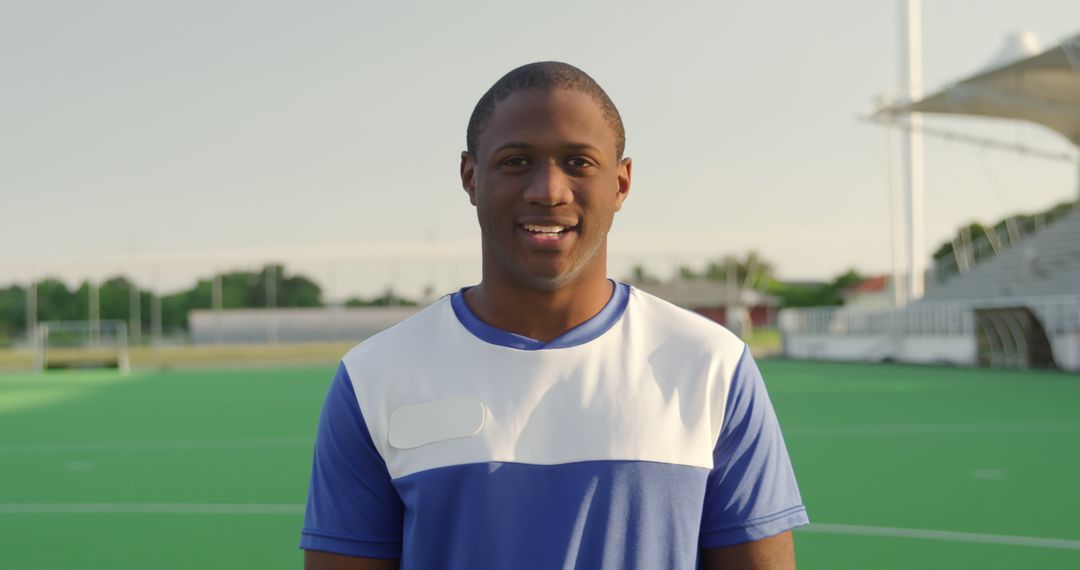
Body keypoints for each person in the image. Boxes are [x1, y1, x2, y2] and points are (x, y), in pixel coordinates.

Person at [300, 61, 808, 570]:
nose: (548, 190)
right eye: (517, 161)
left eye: (578, 162)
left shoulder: (709, 363)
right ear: (471, 177)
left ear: (622, 183)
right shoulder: (376, 375)